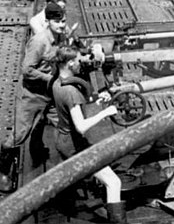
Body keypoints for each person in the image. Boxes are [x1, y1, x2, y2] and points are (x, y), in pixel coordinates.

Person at [0, 2, 68, 193]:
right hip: (32, 94)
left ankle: (37, 150)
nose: (62, 25)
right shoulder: (39, 42)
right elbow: (27, 70)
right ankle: (3, 172)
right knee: (19, 134)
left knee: (61, 123)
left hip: (49, 92)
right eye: (58, 21)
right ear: (48, 22)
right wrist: (50, 79)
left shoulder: (61, 36)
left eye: (63, 21)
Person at [52, 45, 126, 223]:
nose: (80, 64)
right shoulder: (71, 92)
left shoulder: (58, 82)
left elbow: (72, 110)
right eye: (78, 61)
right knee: (114, 182)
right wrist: (105, 113)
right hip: (74, 145)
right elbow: (81, 127)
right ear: (70, 63)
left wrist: (99, 100)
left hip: (62, 138)